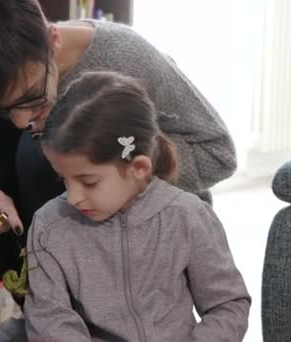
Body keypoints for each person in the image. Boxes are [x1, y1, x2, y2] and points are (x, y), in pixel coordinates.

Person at [0, 0, 237, 301]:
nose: (21, 119)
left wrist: (126, 165)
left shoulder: (125, 57)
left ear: (53, 40)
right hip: (34, 271)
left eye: (31, 98)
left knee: (46, 145)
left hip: (140, 257)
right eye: (2, 109)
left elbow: (217, 154)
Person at [24, 71, 250, 340]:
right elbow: (48, 320)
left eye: (88, 181)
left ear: (139, 167)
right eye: (64, 179)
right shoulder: (49, 227)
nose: (73, 197)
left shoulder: (188, 217)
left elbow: (227, 305)